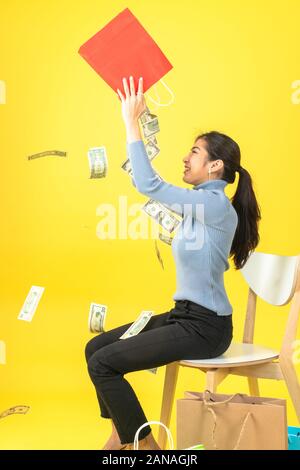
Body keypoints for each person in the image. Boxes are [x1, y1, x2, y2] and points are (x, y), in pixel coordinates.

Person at [85, 76, 261, 450]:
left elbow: (150, 185)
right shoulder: (201, 205)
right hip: (183, 316)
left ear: (215, 166)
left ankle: (147, 448)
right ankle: (122, 432)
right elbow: (158, 188)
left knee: (105, 365)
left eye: (194, 152)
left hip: (206, 328)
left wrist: (131, 123)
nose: (185, 156)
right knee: (96, 349)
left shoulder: (214, 206)